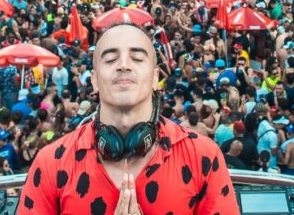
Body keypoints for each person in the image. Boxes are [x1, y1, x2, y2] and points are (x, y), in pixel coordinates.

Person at [18, 25, 238, 214]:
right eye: (110, 59)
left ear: (155, 78)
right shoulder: (51, 162)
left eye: (137, 58)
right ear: (94, 80)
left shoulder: (202, 156)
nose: (124, 65)